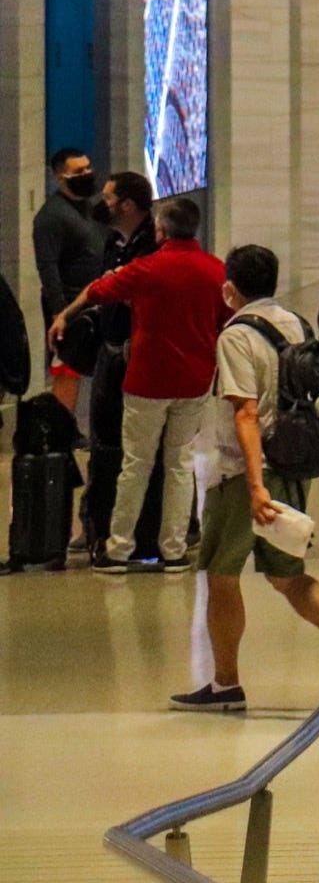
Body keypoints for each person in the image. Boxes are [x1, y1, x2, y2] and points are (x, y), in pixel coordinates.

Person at [170, 244, 319, 712]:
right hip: (290, 466)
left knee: (221, 577)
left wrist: (255, 488)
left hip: (244, 474)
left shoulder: (236, 336)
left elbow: (244, 411)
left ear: (230, 287)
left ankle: (225, 686)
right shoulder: (295, 324)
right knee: (288, 576)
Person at [48, 195, 227, 573]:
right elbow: (227, 319)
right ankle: (174, 550)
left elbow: (97, 290)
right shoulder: (215, 270)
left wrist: (64, 315)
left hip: (147, 381)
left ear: (161, 231)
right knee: (179, 464)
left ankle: (119, 549)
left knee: (136, 465)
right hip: (194, 381)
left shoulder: (145, 269)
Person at [77, 172, 158, 559]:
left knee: (143, 444)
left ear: (126, 204)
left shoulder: (153, 244)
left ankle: (149, 527)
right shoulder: (113, 241)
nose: (102, 201)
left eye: (108, 197)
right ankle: (97, 522)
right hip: (109, 349)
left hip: (139, 353)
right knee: (104, 441)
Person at [32, 146, 106, 415]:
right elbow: (47, 266)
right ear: (60, 176)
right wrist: (59, 312)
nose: (87, 174)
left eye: (88, 168)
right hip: (69, 303)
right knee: (67, 369)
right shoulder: (50, 217)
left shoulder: (90, 208)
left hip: (94, 298)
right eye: (79, 171)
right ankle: (63, 428)